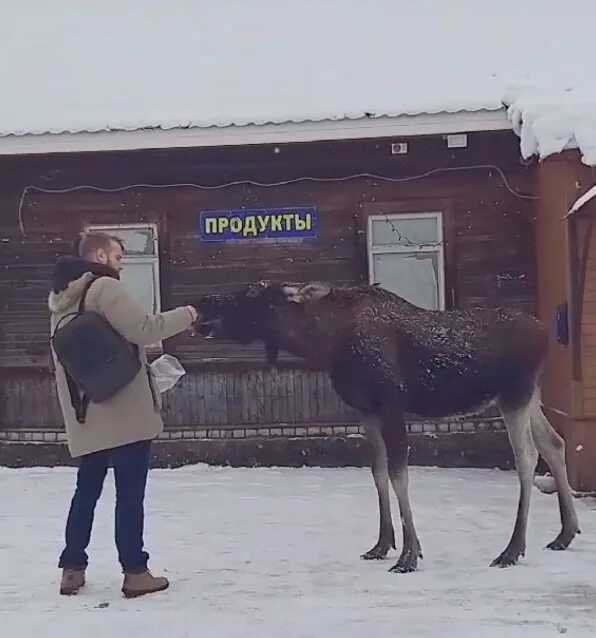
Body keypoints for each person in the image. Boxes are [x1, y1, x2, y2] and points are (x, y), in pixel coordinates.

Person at [48, 231, 198, 598]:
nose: (121, 263)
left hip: (88, 410)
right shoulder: (105, 289)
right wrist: (190, 314)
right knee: (129, 495)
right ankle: (135, 572)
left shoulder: (62, 301)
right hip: (124, 411)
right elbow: (144, 330)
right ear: (99, 255)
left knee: (86, 492)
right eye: (118, 256)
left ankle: (72, 567)